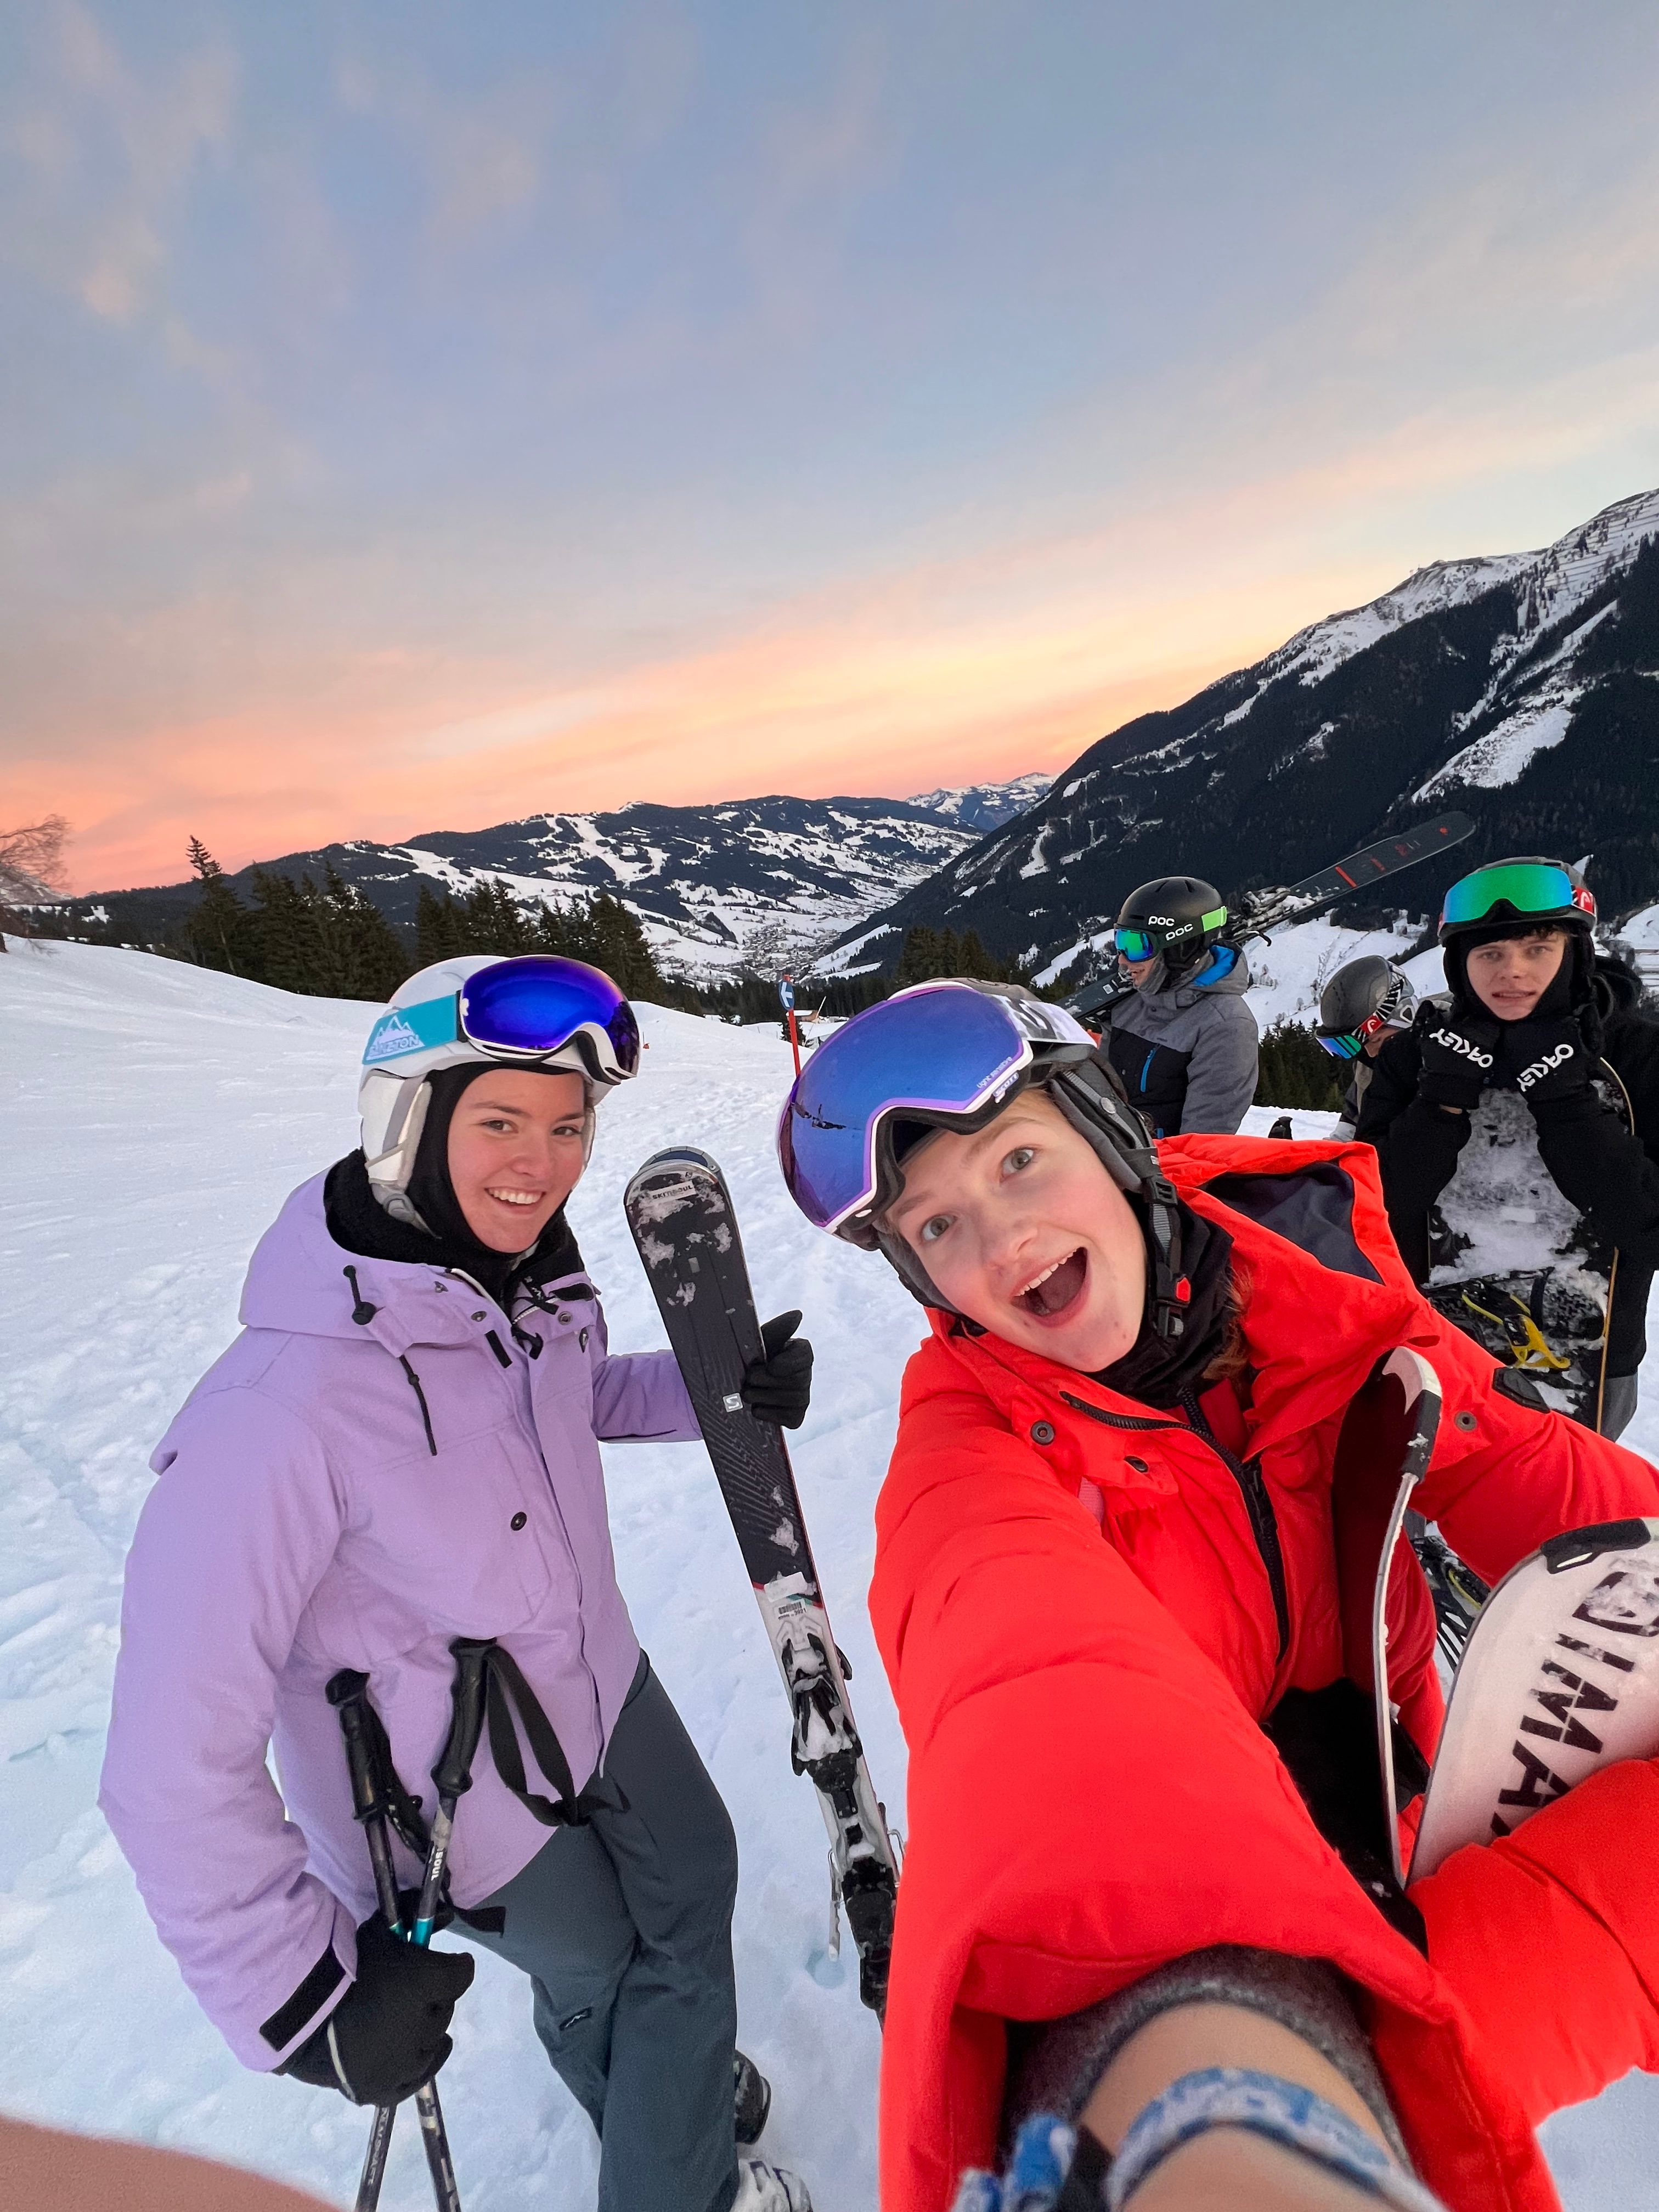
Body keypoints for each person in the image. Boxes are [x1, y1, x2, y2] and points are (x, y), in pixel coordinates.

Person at [775, 977, 1659, 2212]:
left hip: (1399, 1816)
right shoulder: (968, 1461)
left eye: (1019, 1160)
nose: (999, 1243)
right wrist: (1200, 2090)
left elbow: (1505, 1453)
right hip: (1304, 1970)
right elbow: (1029, 1684)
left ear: (1111, 1134)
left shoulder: (1310, 1272)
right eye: (935, 1230)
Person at [101, 953, 814, 2212]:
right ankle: (685, 2168)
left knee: (695, 1882)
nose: (539, 1162)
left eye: (567, 1125)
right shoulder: (278, 1411)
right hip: (453, 1801)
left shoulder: (520, 1286)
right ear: (409, 1122)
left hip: (598, 1680)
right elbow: (168, 1762)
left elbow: (567, 1399)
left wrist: (718, 1390)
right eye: (498, 1121)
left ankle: (674, 2085)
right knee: (604, 1971)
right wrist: (303, 2001)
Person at [1357, 857, 1659, 1441]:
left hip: (1591, 1365)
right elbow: (1372, 1215)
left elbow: (1650, 1226)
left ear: (1574, 953)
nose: (1511, 972)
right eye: (1489, 954)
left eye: (1537, 948)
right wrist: (1439, 1102)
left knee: (1556, 1523)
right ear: (1459, 964)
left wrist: (1568, 1106)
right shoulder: (1414, 1061)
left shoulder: (1639, 1057)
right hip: (1431, 1355)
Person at [1095, 876, 1257, 1136]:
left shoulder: (1227, 1025)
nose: (1122, 961)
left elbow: (1202, 1142)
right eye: (1121, 941)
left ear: (1179, 949)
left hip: (1157, 1171)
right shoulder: (1128, 1004)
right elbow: (1097, 1094)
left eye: (1136, 946)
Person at [1316, 956, 1417, 1133]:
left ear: (1404, 1017)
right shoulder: (1368, 1067)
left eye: (1377, 1039)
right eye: (1360, 1046)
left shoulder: (1454, 1051)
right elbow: (1348, 1132)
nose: (1370, 1054)